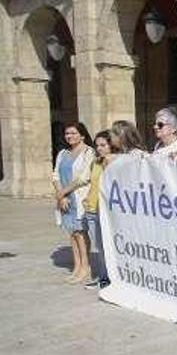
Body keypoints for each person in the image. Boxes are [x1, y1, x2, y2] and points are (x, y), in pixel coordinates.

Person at [52, 122, 95, 284]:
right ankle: (77, 265)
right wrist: (61, 196)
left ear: (82, 135)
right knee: (71, 232)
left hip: (78, 196)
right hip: (64, 198)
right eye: (67, 134)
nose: (69, 136)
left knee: (80, 232)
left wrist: (63, 192)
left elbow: (83, 178)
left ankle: (85, 266)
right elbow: (55, 175)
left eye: (73, 133)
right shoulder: (63, 153)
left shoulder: (88, 152)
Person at [82, 131, 115, 290]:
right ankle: (103, 277)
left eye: (103, 145)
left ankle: (112, 277)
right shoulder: (95, 162)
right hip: (91, 208)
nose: (100, 148)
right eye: (97, 145)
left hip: (107, 212)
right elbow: (92, 183)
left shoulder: (115, 163)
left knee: (110, 246)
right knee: (99, 247)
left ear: (112, 145)